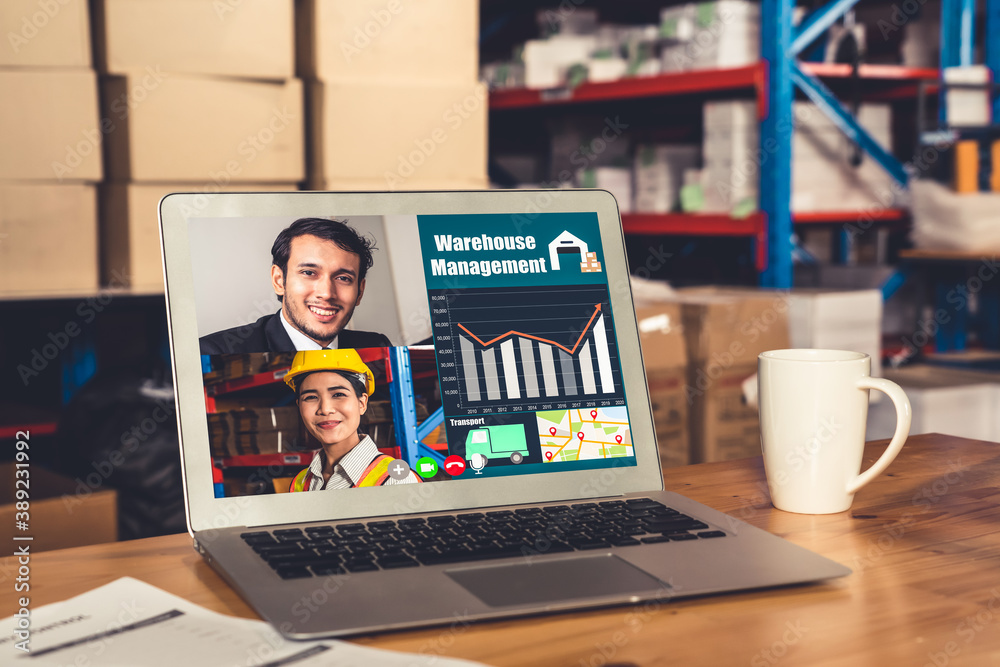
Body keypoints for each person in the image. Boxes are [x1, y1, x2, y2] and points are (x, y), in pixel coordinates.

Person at [199, 218, 391, 354]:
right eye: (309, 273)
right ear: (279, 280)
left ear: (360, 292)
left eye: (343, 278)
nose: (326, 293)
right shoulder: (213, 351)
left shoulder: (378, 346)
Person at [284, 350, 419, 490]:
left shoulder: (396, 480)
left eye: (338, 394)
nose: (325, 409)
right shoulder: (300, 483)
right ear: (299, 406)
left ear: (362, 404)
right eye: (310, 397)